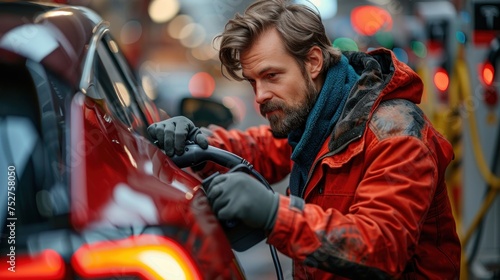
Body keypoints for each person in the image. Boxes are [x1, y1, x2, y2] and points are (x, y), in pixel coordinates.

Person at [147, 0, 461, 278]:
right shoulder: (318, 123)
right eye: (252, 81)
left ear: (313, 62)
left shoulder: (395, 135)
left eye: (272, 76)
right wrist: (199, 143)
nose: (260, 96)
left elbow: (381, 247)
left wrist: (274, 214)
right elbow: (261, 147)